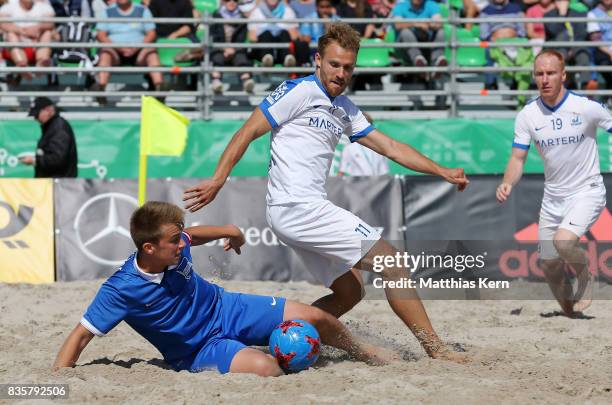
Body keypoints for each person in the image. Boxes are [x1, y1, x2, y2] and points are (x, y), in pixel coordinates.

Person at [184, 23, 469, 363]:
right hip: (298, 208)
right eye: (334, 64)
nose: (341, 73)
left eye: (348, 67)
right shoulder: (298, 91)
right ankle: (436, 349)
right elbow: (247, 131)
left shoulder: (345, 108)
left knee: (350, 291)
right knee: (394, 264)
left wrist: (442, 171)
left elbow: (391, 148)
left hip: (296, 212)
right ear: (318, 60)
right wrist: (218, 179)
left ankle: (278, 339)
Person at [53, 201, 390, 375]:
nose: (182, 246)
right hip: (197, 350)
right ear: (149, 249)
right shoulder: (120, 290)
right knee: (267, 369)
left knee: (315, 316)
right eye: (174, 242)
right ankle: (266, 353)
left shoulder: (174, 244)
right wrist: (60, 378)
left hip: (227, 308)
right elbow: (81, 335)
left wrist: (231, 230)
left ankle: (364, 352)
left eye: (180, 237)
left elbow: (193, 234)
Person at [496, 50, 612, 316]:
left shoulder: (586, 107)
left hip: (587, 191)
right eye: (539, 74)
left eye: (550, 73)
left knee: (564, 242)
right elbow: (517, 158)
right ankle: (570, 311)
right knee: (548, 265)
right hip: (553, 199)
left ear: (563, 75)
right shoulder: (527, 115)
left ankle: (585, 277)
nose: (545, 79)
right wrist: (507, 183)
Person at [92, 0, 165, 104]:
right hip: (115, 51)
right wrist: (118, 47)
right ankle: (101, 87)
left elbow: (151, 33)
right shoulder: (107, 12)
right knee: (105, 53)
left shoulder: (143, 11)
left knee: (151, 53)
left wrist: (137, 46)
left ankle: (160, 88)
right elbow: (101, 35)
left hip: (139, 50)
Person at [18, 97, 78, 178]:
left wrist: (35, 160)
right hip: (53, 183)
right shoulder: (51, 127)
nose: (35, 119)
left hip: (59, 185)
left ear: (48, 110)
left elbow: (57, 159)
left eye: (37, 115)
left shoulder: (58, 128)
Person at [0, 0, 55, 81]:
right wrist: (23, 31)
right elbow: (3, 23)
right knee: (11, 35)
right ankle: (22, 65)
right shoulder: (9, 6)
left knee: (47, 34)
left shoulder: (43, 6)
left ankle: (42, 63)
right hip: (15, 46)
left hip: (37, 45)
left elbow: (50, 23)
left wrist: (37, 28)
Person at [391, 0, 446, 80]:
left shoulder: (431, 4)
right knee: (405, 32)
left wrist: (429, 25)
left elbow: (439, 22)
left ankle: (437, 65)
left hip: (427, 39)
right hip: (407, 45)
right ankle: (419, 62)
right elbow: (398, 24)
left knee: (441, 32)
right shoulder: (400, 6)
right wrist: (416, 24)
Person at [338, 112, 389, 176]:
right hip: (358, 184)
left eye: (369, 126)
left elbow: (384, 172)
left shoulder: (379, 147)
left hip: (376, 184)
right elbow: (341, 172)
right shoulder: (349, 148)